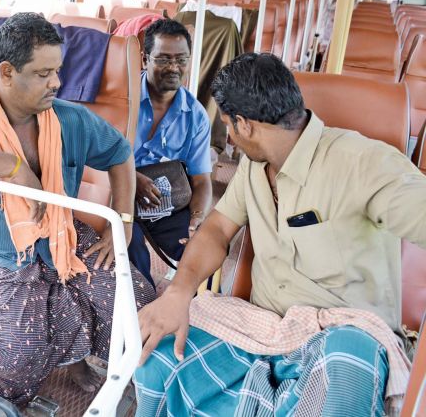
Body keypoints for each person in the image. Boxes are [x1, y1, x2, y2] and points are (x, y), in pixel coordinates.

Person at [134, 53, 426, 416]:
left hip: (343, 331)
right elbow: (217, 228)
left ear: (245, 125)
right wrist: (179, 291)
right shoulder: (255, 168)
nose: (231, 141)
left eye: (228, 126)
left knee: (342, 392)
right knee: (158, 358)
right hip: (261, 324)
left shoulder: (365, 162)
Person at [0, 12, 156, 405]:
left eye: (57, 70)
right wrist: (12, 166)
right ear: (6, 72)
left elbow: (120, 154)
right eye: (43, 74)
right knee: (20, 350)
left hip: (62, 236)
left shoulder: (68, 118)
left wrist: (121, 222)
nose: (56, 82)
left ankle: (74, 354)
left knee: (136, 302)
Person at [128, 18, 213, 285]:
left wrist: (198, 220)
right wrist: (133, 179)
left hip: (166, 202)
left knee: (203, 254)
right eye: (163, 59)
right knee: (132, 260)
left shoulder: (196, 115)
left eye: (182, 59)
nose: (174, 68)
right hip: (118, 195)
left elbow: (201, 181)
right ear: (145, 59)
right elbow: (93, 161)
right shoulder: (122, 99)